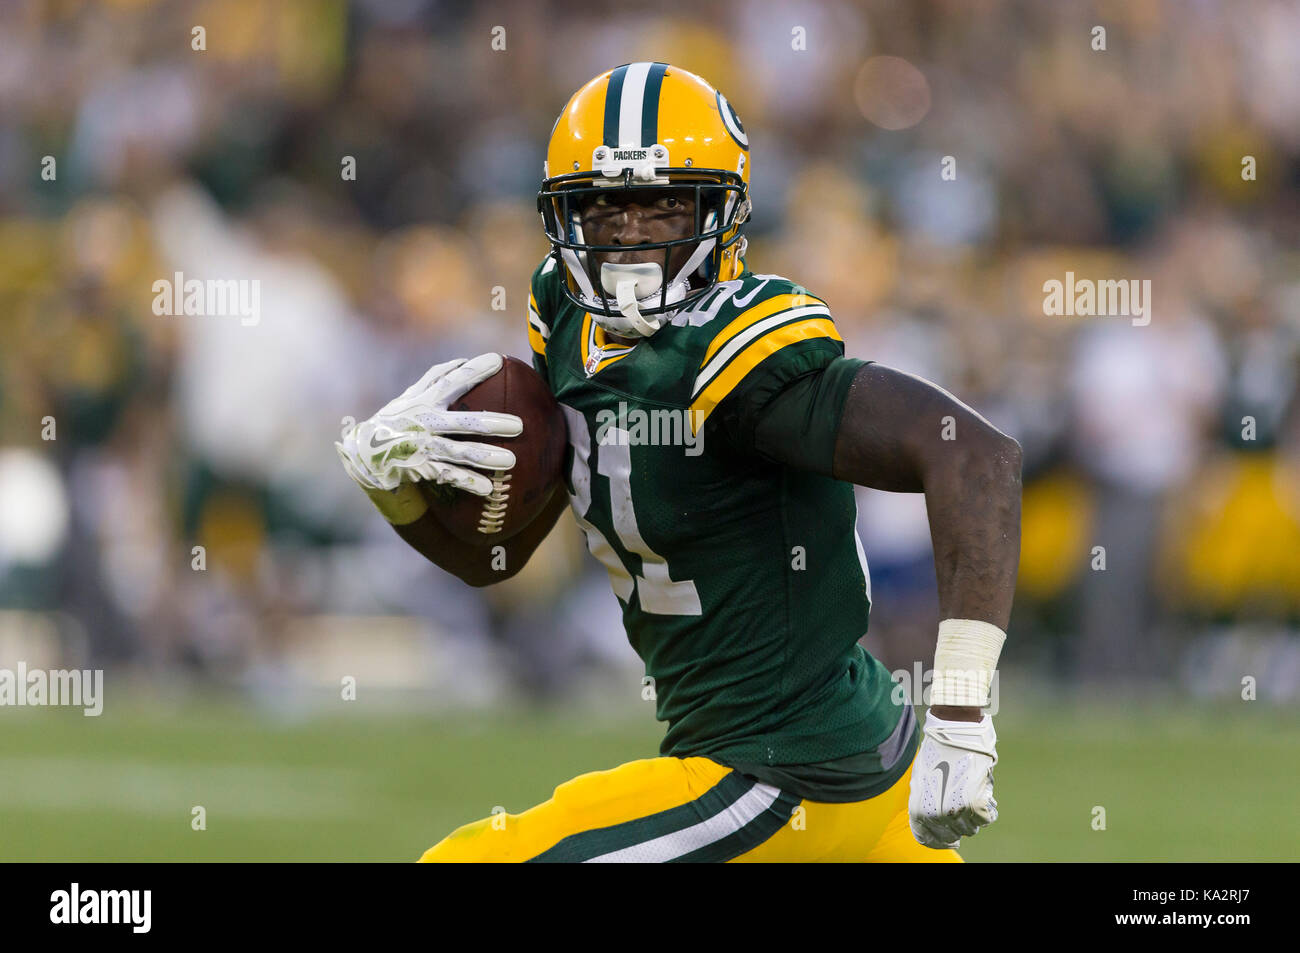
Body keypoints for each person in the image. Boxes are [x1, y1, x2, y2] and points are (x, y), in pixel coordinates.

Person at [337, 63, 1022, 862]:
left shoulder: (736, 350)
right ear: (567, 214)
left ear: (720, 212)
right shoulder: (564, 318)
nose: (633, 232)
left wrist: (964, 711)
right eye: (606, 206)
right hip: (832, 768)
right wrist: (398, 495)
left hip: (786, 772)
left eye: (665, 204)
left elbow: (978, 457)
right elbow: (501, 556)